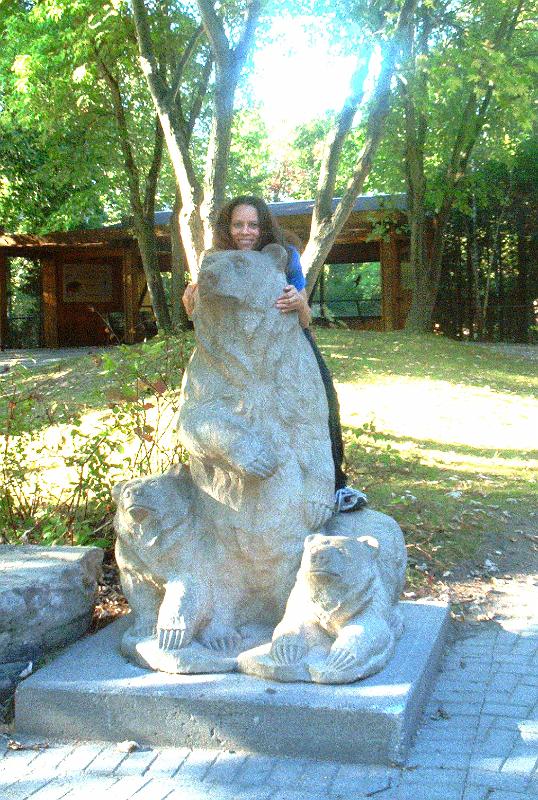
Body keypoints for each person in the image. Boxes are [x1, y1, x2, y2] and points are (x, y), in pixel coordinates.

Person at [182, 195, 367, 513]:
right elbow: (201, 313)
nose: (245, 232)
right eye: (238, 225)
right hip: (234, 353)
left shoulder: (285, 257)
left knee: (323, 401)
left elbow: (305, 319)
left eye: (253, 225)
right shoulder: (215, 259)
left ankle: (335, 485)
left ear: (263, 228)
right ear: (228, 228)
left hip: (287, 343)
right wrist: (192, 306)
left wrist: (299, 304)